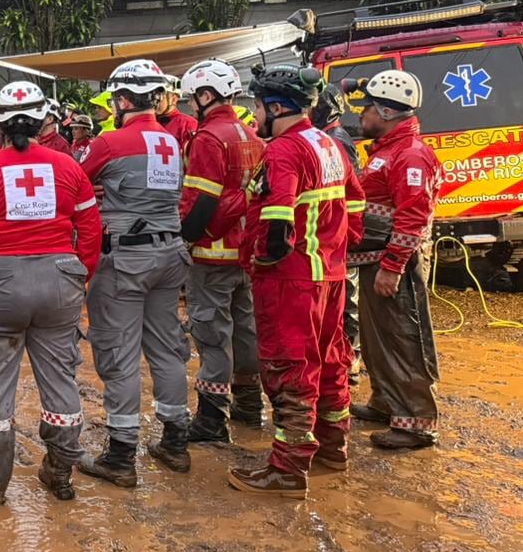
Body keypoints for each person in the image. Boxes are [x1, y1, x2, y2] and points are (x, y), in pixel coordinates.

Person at [0, 81, 101, 505]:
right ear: (41, 120)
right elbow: (90, 229)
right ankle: (59, 473)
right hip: (59, 281)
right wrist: (80, 275)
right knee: (61, 380)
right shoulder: (69, 167)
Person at [228, 64, 362, 498]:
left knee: (289, 366)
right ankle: (331, 448)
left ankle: (287, 469)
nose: (254, 115)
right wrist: (338, 247)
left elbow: (275, 218)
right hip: (331, 274)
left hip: (290, 280)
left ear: (276, 106)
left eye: (258, 106)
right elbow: (356, 205)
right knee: (331, 359)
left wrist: (260, 262)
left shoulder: (284, 151)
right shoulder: (330, 144)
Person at [78, 58, 189, 487]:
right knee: (165, 348)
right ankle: (175, 443)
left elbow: (72, 179)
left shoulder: (111, 142)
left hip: (126, 259)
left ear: (124, 99)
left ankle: (121, 455)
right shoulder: (171, 141)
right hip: (170, 253)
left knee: (118, 353)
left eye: (114, 101)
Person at [346, 70, 441, 450]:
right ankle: (386, 401)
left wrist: (392, 266)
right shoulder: (388, 151)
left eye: (366, 108)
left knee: (403, 338)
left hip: (393, 264)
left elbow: (413, 215)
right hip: (375, 260)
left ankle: (416, 422)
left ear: (385, 112)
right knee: (378, 338)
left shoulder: (410, 156)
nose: (362, 116)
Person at [176, 60, 266, 443]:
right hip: (246, 253)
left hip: (212, 253)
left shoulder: (209, 138)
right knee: (246, 331)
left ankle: (212, 420)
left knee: (212, 335)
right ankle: (249, 406)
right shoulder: (252, 135)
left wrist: (185, 239)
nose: (187, 107)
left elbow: (200, 201)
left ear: (205, 96)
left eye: (190, 99)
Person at [313, 84, 364, 382]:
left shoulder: (337, 140)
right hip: (336, 232)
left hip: (339, 233)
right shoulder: (330, 136)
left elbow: (349, 191)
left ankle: (351, 355)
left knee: (349, 295)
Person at [156, 75, 198, 150]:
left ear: (174, 99)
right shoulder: (148, 121)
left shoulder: (188, 123)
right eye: (154, 95)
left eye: (160, 96)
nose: (156, 100)